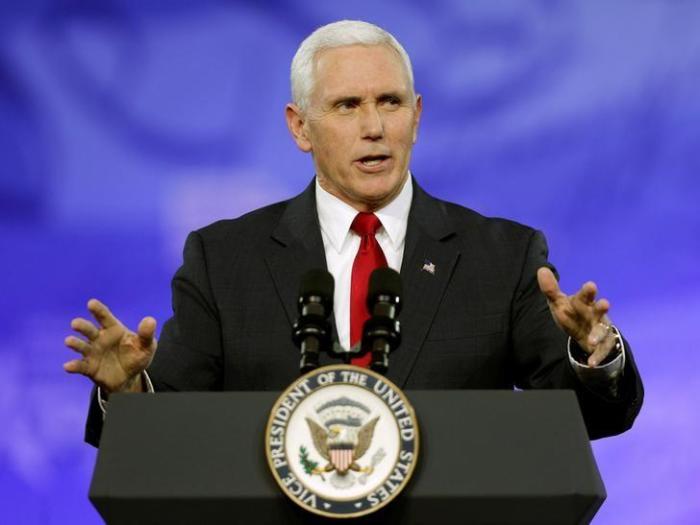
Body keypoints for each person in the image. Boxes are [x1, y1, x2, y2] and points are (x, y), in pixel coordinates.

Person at [64, 20, 643, 446]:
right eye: (347, 106)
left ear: (416, 116)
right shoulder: (223, 259)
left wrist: (595, 357)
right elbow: (171, 434)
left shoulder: (503, 255)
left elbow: (582, 420)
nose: (374, 127)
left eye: (389, 102)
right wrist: (128, 395)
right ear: (300, 127)